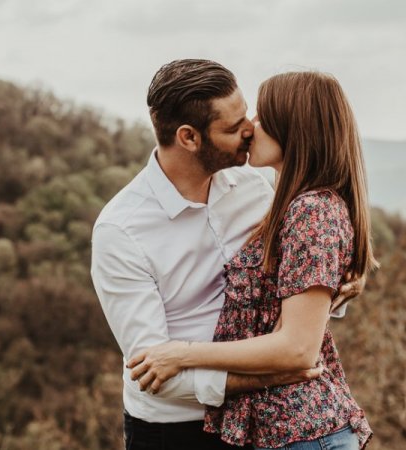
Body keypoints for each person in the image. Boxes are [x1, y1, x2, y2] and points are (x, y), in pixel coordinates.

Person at [90, 60, 363, 450]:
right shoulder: (122, 231)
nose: (249, 129)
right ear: (189, 137)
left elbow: (289, 285)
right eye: (234, 128)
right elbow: (155, 374)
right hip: (177, 431)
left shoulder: (256, 189)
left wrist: (336, 284)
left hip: (257, 421)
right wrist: (276, 374)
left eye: (247, 115)